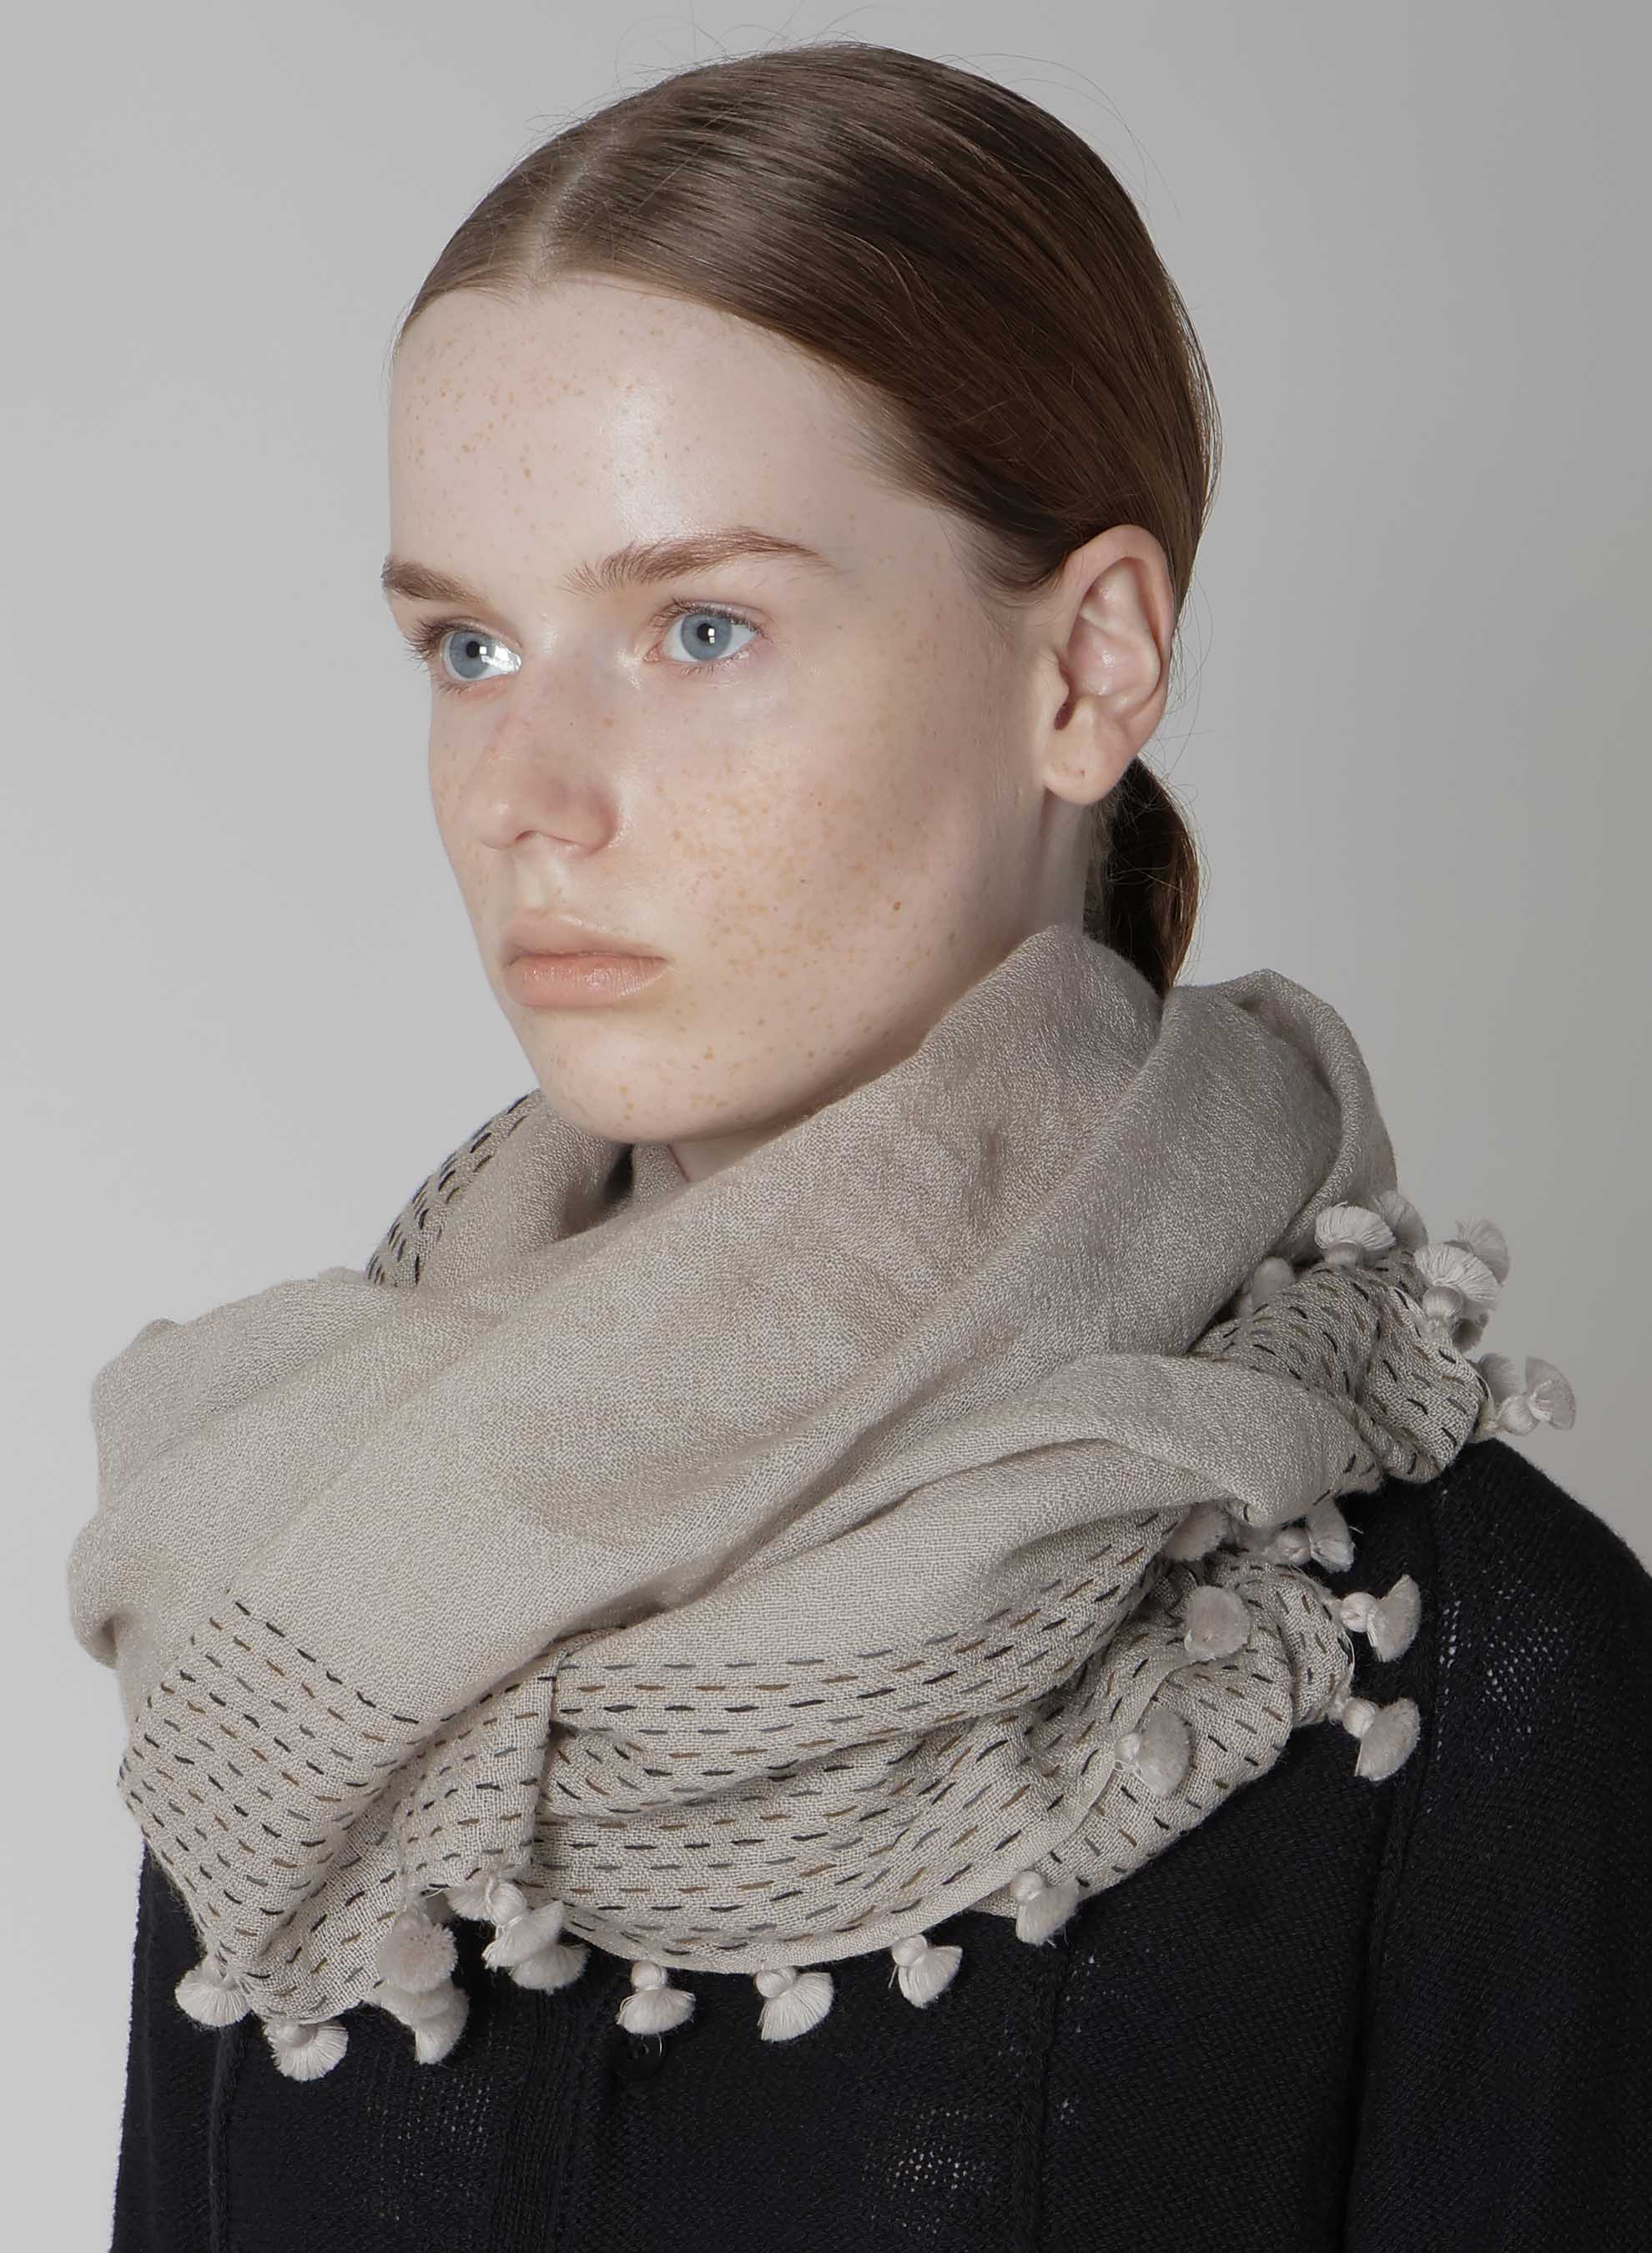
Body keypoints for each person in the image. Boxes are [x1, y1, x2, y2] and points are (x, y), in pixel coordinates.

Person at [69, 40, 1649, 2253]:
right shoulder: (303, 1586)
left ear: (1087, 668)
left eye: (698, 628)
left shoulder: (1453, 1673)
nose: (527, 795)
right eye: (469, 643)